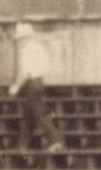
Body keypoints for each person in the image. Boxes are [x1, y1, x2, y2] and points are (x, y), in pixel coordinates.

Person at [8, 21, 64, 152]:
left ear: (26, 37)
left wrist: (16, 86)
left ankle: (56, 140)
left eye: (20, 39)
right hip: (38, 82)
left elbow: (25, 72)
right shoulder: (37, 48)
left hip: (32, 83)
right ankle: (22, 145)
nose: (19, 42)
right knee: (29, 116)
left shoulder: (28, 50)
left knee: (39, 114)